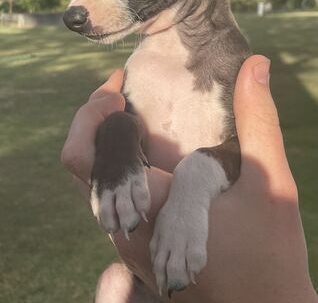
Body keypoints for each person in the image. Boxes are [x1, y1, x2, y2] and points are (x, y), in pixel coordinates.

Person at [61, 55, 318, 303]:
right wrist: (116, 141)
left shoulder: (224, 63)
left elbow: (240, 152)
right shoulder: (143, 67)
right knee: (113, 283)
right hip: (141, 285)